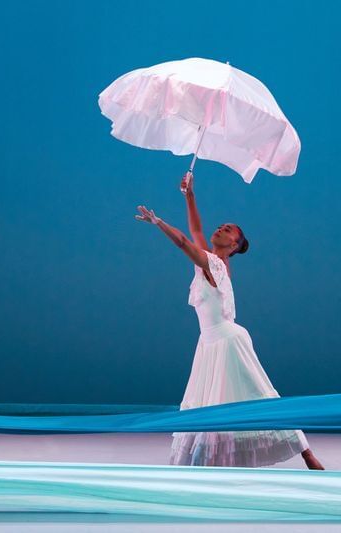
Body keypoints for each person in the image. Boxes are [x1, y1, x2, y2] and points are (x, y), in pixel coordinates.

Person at [134, 171, 325, 470]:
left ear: (233, 246)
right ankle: (211, 462)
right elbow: (196, 230)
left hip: (228, 341)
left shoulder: (215, 264)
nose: (220, 229)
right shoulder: (210, 259)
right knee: (211, 403)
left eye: (227, 231)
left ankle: (307, 454)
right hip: (209, 343)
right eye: (221, 226)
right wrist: (190, 195)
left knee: (261, 394)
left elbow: (183, 241)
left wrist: (158, 223)